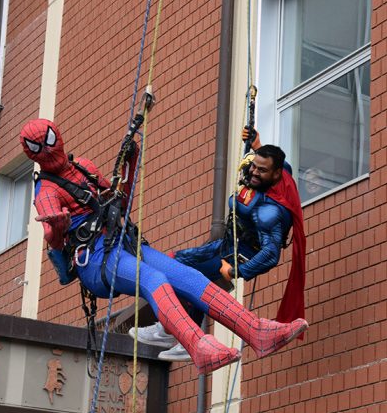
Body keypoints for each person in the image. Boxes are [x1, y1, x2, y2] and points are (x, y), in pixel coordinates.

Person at [20, 118, 308, 375]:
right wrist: (55, 232)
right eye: (39, 146)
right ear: (31, 153)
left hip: (123, 243)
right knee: (154, 278)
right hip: (95, 260)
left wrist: (132, 166)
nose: (47, 150)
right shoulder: (46, 191)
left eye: (49, 140)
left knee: (188, 274)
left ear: (58, 136)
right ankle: (197, 347)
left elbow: (121, 202)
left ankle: (256, 331)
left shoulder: (85, 167)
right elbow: (53, 236)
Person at [130, 127, 307, 362]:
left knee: (190, 277)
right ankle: (167, 329)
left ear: (274, 176)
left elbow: (271, 255)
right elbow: (284, 167)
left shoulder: (269, 212)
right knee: (172, 262)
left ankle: (185, 337)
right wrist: (256, 144)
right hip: (227, 243)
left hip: (242, 254)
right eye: (254, 165)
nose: (253, 172)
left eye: (261, 170)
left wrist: (235, 271)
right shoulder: (281, 175)